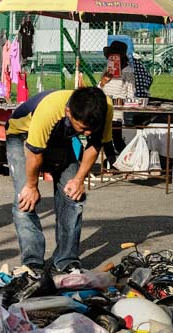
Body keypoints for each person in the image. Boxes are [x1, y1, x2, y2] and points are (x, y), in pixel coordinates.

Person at [6, 87, 114, 274]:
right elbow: (34, 153)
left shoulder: (105, 106)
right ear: (68, 112)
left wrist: (79, 180)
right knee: (25, 200)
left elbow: (95, 144)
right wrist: (31, 186)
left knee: (73, 198)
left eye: (91, 129)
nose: (87, 133)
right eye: (83, 128)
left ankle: (67, 260)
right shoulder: (49, 110)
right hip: (22, 135)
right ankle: (33, 262)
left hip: (60, 137)